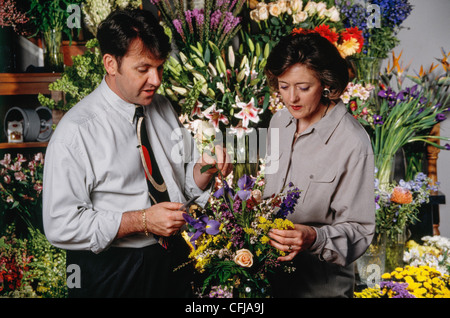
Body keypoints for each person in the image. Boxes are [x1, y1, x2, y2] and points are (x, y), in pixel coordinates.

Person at [42, 9, 232, 298]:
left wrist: (204, 170)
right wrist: (141, 220)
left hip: (174, 258)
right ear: (110, 64)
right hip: (112, 269)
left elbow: (182, 185)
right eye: (143, 69)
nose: (156, 80)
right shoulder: (76, 131)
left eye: (160, 68)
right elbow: (60, 225)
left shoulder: (162, 107)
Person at [263, 32, 375, 297]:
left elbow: (360, 231)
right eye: (283, 86)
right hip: (269, 280)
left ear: (326, 84)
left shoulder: (352, 141)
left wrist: (313, 237)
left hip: (322, 288)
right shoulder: (279, 121)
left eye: (303, 88)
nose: (292, 99)